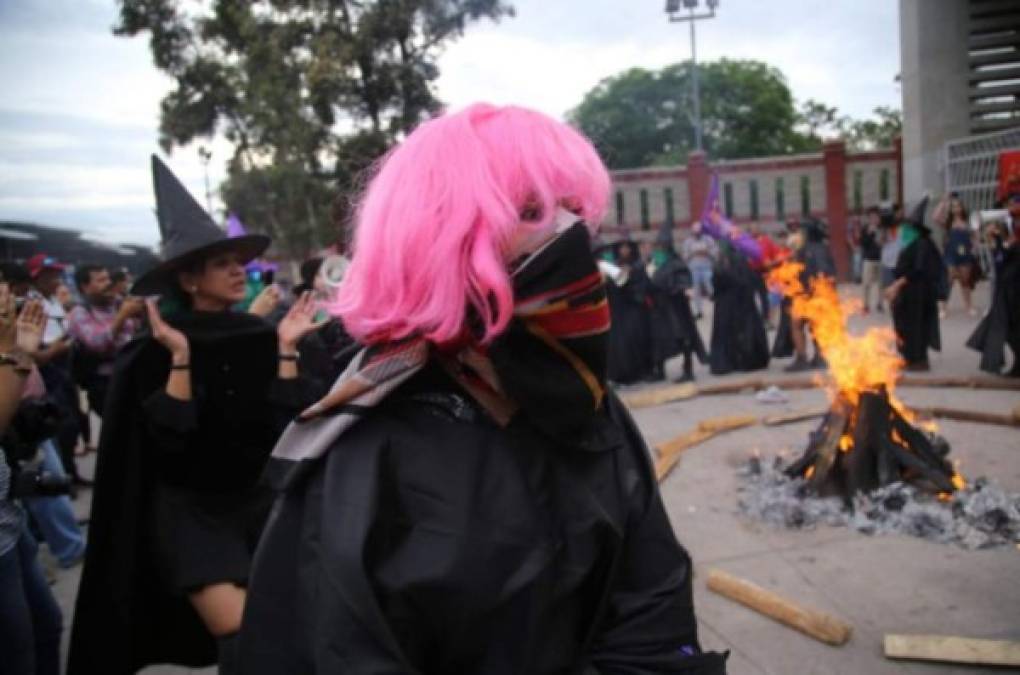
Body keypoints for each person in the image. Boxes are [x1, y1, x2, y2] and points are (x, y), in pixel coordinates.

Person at [237, 103, 724, 674]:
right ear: (442, 237)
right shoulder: (367, 446)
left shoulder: (586, 403)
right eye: (531, 210)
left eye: (573, 210)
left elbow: (652, 601)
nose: (566, 234)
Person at [68, 156, 325, 675]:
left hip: (259, 507)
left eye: (239, 261)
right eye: (222, 263)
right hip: (190, 515)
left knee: (279, 637)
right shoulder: (150, 354)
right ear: (188, 279)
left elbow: (289, 427)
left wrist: (287, 349)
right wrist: (181, 357)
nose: (238, 271)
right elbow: (167, 446)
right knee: (239, 629)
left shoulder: (260, 337)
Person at [0, 285, 63, 675]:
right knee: (16, 653)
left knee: (46, 626)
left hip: (10, 522)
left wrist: (17, 349)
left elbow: (28, 396)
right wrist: (16, 350)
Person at [66, 264, 145, 417]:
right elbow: (97, 343)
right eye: (101, 280)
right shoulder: (80, 312)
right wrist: (122, 316)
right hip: (105, 382)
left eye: (108, 278)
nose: (108, 283)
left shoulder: (120, 303)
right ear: (85, 287)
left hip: (132, 374)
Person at [885, 197, 943, 371]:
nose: (903, 230)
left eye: (907, 227)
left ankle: (918, 360)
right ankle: (908, 358)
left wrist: (897, 285)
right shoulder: (911, 244)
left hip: (918, 293)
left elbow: (917, 271)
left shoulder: (922, 244)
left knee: (916, 325)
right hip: (908, 293)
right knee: (905, 324)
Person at [967, 191, 1020, 376]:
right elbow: (1000, 259)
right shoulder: (1009, 227)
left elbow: (1010, 253)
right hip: (1007, 287)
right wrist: (997, 241)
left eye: (1013, 203)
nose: (1009, 207)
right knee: (1008, 329)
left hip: (1016, 288)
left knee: (1013, 329)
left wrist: (1004, 242)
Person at [646, 223, 707, 382]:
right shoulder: (653, 263)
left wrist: (676, 288)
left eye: (662, 246)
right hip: (659, 308)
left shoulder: (676, 263)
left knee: (683, 337)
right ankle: (659, 370)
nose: (659, 249)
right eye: (657, 246)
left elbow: (684, 282)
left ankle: (688, 370)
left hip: (675, 307)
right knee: (658, 339)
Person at [773, 220, 836, 371]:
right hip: (821, 294)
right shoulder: (824, 248)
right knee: (817, 326)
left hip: (805, 294)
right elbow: (830, 273)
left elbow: (803, 272)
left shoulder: (803, 250)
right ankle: (819, 357)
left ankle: (802, 358)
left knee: (797, 325)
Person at [605, 239, 655, 384]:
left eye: (627, 247)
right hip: (619, 310)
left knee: (638, 339)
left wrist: (629, 279)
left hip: (635, 309)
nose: (624, 250)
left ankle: (642, 371)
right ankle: (623, 374)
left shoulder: (637, 266)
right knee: (621, 343)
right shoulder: (613, 267)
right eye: (621, 247)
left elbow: (642, 287)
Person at [934, 193, 979, 317]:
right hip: (950, 254)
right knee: (948, 280)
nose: (956, 209)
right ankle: (943, 308)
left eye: (958, 206)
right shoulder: (948, 223)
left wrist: (975, 247)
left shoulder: (968, 222)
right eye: (954, 207)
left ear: (962, 208)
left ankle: (969, 306)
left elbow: (974, 237)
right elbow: (936, 217)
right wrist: (944, 202)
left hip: (965, 254)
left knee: (965, 281)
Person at [681, 220, 718, 318]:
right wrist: (693, 253)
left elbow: (715, 252)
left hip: (706, 267)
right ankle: (698, 311)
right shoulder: (687, 242)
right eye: (695, 232)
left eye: (699, 231)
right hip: (694, 269)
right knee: (696, 291)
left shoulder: (708, 240)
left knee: (711, 288)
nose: (697, 234)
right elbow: (684, 256)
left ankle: (718, 309)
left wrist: (707, 252)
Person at [859, 206, 884, 313]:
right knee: (866, 283)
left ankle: (880, 303)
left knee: (881, 283)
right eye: (872, 217)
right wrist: (869, 233)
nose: (874, 219)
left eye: (876, 217)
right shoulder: (865, 229)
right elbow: (863, 243)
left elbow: (884, 242)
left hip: (881, 259)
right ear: (869, 219)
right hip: (868, 259)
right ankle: (866, 304)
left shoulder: (882, 228)